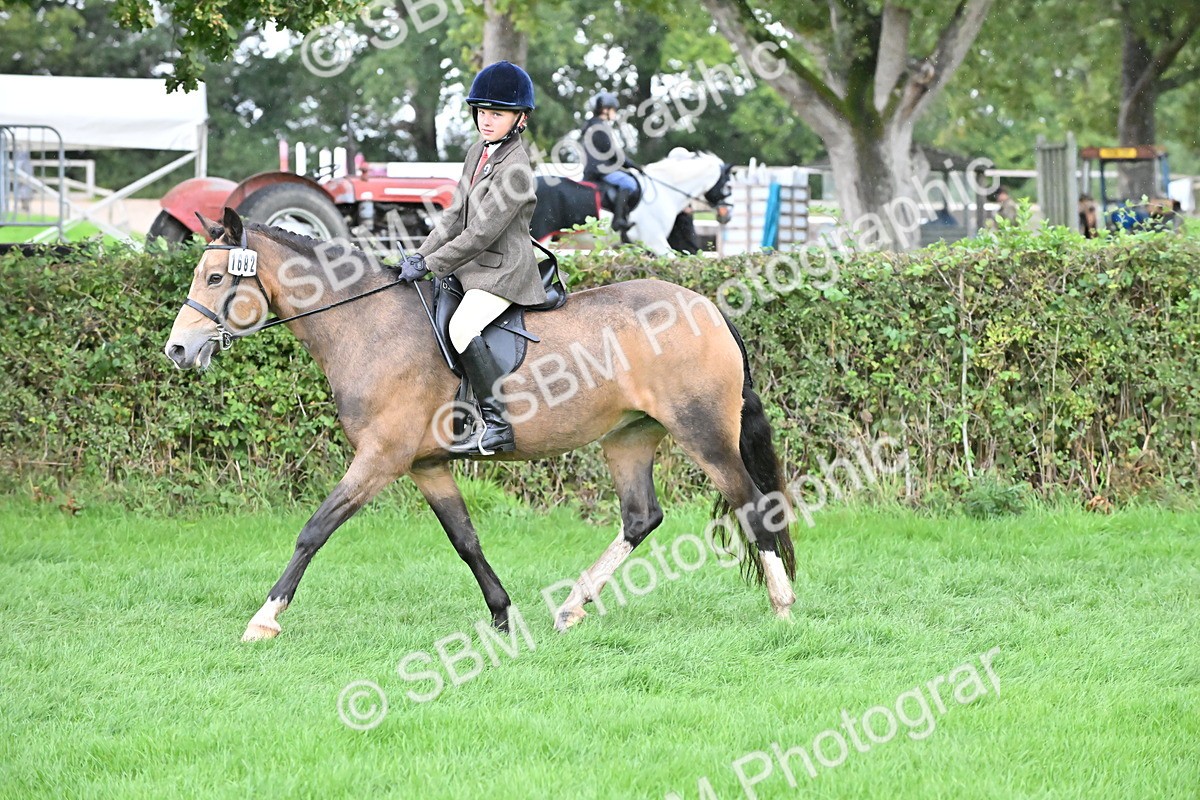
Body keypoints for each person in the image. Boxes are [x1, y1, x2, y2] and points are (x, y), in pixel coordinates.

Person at [392, 60, 547, 456]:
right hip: (471, 267)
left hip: (503, 273)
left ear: (520, 119)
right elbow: (454, 217)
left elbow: (480, 234)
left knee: (461, 328)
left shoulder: (516, 169)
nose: (486, 120)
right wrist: (420, 254)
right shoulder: (477, 151)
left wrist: (432, 265)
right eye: (481, 111)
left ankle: (499, 425)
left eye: (497, 113)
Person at [580, 92, 641, 234]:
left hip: (597, 167)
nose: (615, 113)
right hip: (600, 170)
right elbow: (612, 153)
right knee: (628, 183)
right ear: (605, 109)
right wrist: (631, 165)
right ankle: (618, 219)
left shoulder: (592, 125)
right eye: (614, 109)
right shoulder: (599, 127)